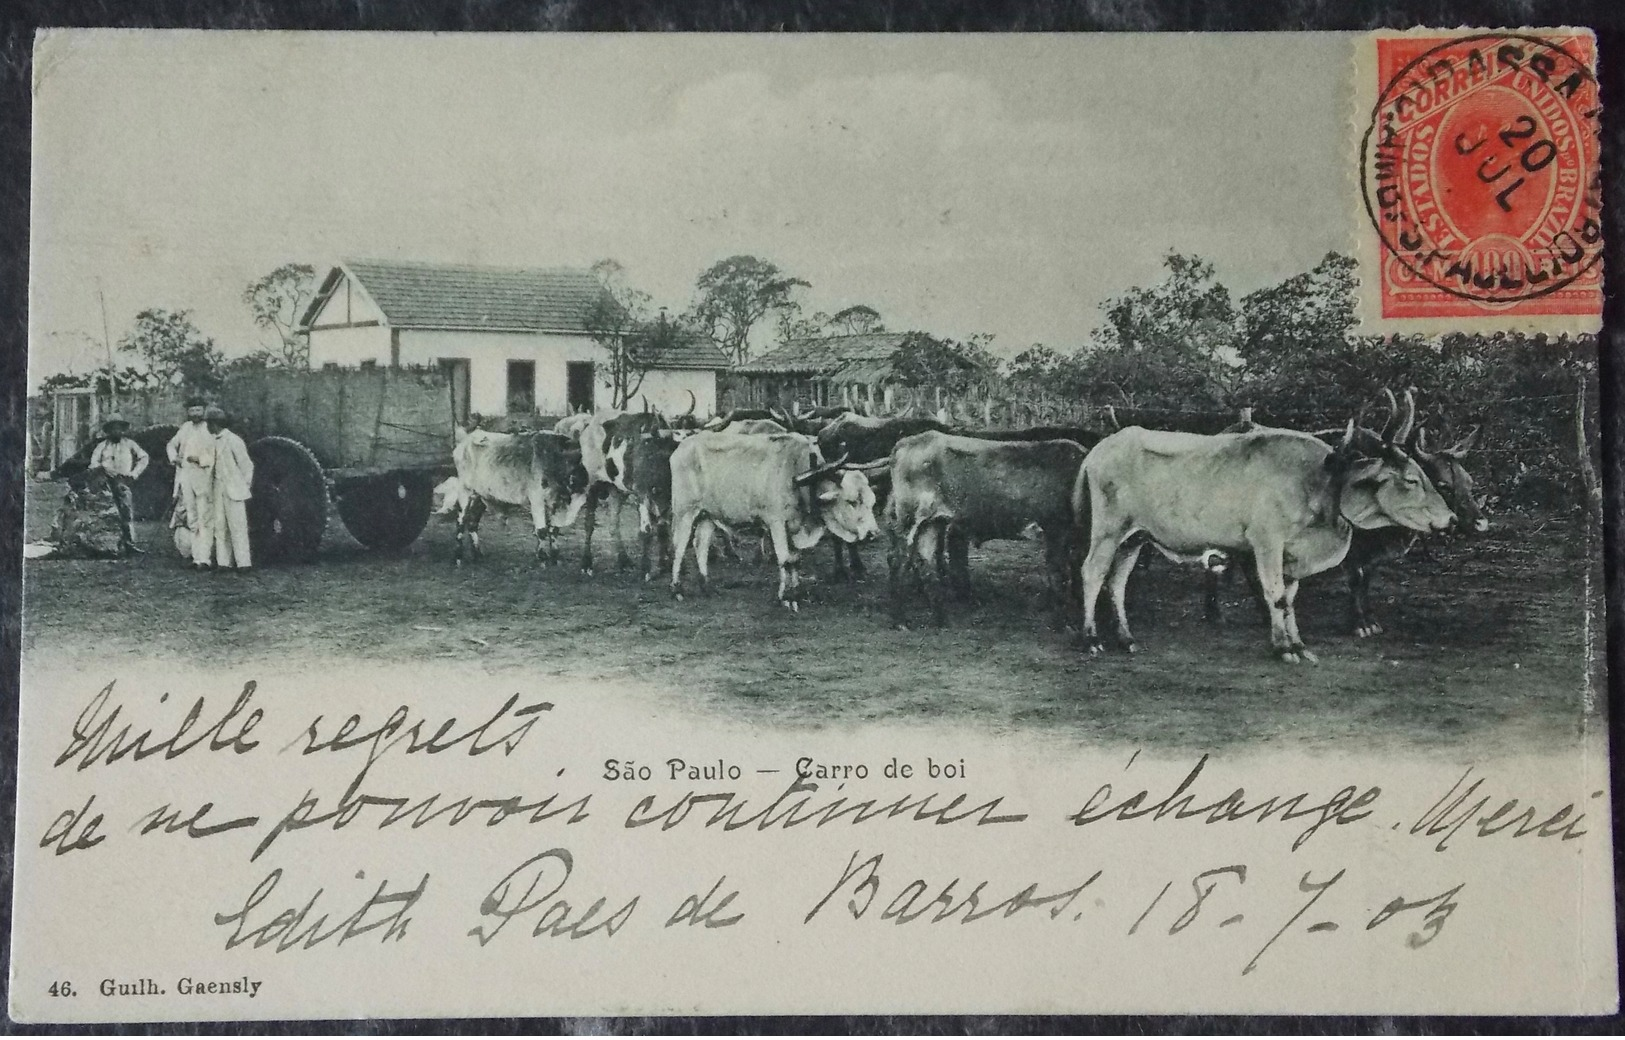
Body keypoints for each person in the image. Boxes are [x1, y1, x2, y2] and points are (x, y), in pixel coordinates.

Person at [87, 414, 149, 555]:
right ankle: (109, 544)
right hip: (105, 482)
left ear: (123, 430)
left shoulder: (130, 444)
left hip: (122, 481)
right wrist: (103, 467)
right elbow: (93, 463)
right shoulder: (102, 446)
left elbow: (144, 457)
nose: (116, 432)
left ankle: (129, 543)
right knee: (108, 513)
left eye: (119, 429)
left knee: (126, 511)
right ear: (108, 431)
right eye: (113, 429)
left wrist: (134, 473)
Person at [167, 397, 216, 569]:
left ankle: (206, 558)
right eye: (192, 410)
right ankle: (197, 558)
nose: (195, 413)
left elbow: (215, 454)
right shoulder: (185, 428)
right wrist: (175, 458)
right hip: (186, 477)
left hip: (204, 478)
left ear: (204, 410)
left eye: (198, 410)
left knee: (205, 519)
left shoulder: (209, 429)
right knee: (192, 518)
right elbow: (171, 445)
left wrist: (200, 459)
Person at [207, 405, 255, 573]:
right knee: (220, 526)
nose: (207, 426)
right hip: (218, 488)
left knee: (238, 526)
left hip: (234, 489)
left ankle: (243, 563)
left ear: (215, 424)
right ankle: (223, 562)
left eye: (209, 423)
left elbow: (247, 466)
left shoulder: (234, 440)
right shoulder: (212, 441)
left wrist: (242, 486)